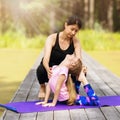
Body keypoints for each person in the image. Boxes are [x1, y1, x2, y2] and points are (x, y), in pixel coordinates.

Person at [36, 15, 83, 98]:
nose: (73, 33)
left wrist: (82, 67)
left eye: (76, 31)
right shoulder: (52, 38)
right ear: (65, 25)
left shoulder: (76, 41)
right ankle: (42, 87)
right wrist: (47, 69)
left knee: (80, 70)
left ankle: (74, 89)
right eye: (72, 29)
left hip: (64, 71)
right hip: (51, 70)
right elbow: (45, 59)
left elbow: (79, 59)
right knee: (41, 69)